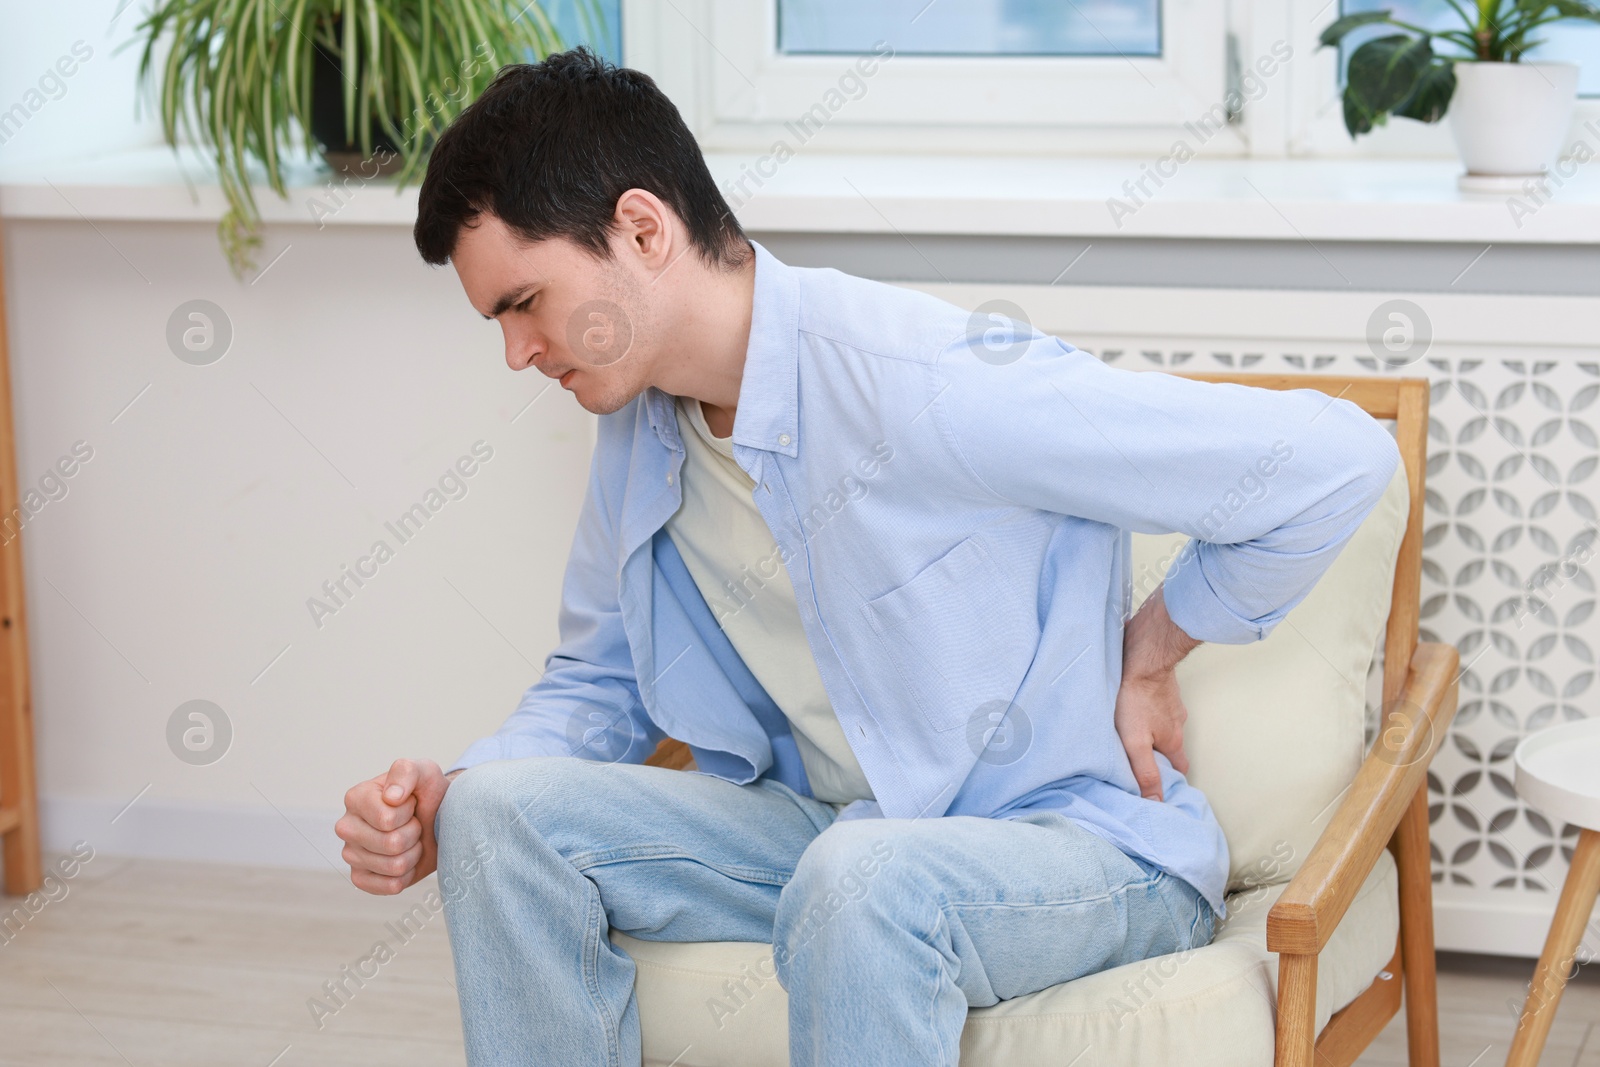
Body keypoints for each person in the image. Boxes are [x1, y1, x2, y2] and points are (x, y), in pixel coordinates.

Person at [335, 47, 1400, 1067]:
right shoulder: (638, 429)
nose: (519, 352)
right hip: (839, 834)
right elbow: (599, 677)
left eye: (524, 303)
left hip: (1073, 848)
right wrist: (455, 789)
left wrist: (1155, 647)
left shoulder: (931, 381)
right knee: (501, 811)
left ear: (642, 229)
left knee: (861, 875)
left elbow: (1333, 459)